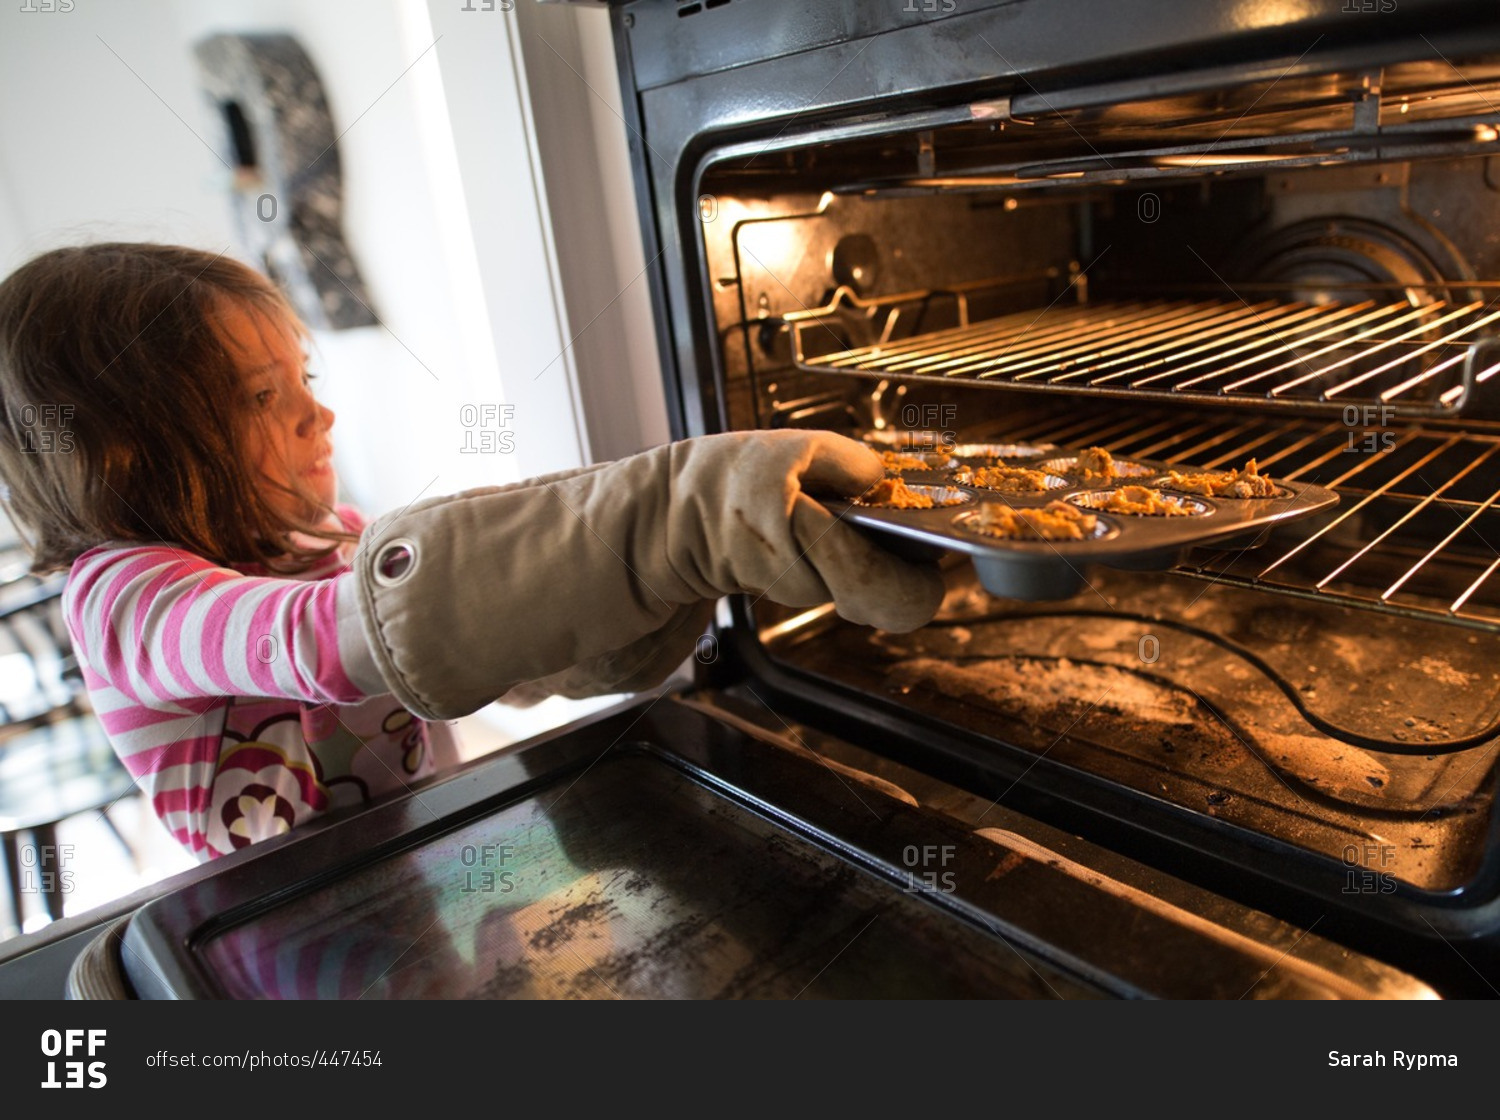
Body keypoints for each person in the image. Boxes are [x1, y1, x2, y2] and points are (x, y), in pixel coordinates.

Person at [0, 242, 944, 862]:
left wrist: (633, 600)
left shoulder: (322, 539)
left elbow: (478, 648)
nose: (317, 412)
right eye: (260, 397)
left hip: (431, 855)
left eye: (307, 378)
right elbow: (330, 639)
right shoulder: (123, 600)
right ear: (129, 451)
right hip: (292, 950)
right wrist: (665, 521)